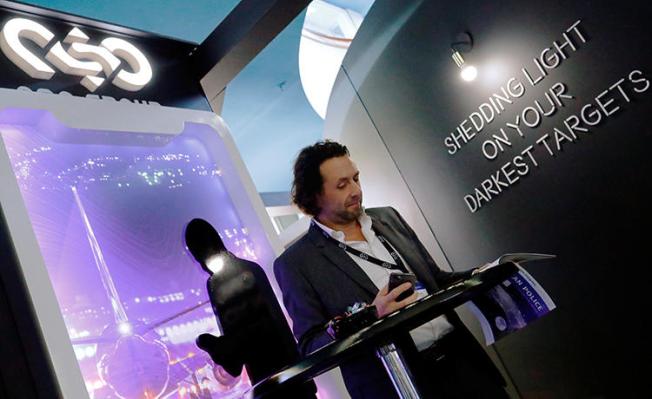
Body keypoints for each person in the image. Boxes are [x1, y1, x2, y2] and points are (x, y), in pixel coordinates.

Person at [274, 140, 508, 399]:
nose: (355, 190)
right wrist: (371, 316)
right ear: (314, 195)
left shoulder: (387, 217)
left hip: (464, 364)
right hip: (397, 385)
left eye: (356, 178)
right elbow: (311, 346)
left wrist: (484, 273)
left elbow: (436, 279)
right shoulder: (296, 263)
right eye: (342, 185)